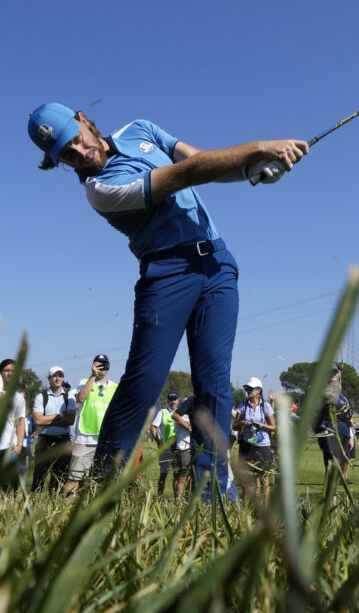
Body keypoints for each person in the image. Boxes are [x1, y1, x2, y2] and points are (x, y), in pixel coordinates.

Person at [28, 103, 308, 498]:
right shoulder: (101, 190)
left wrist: (250, 170)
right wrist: (260, 148)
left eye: (76, 140)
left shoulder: (139, 129)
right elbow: (187, 174)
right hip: (167, 273)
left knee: (214, 383)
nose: (79, 153)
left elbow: (200, 160)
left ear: (84, 120)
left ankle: (213, 496)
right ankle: (104, 486)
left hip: (217, 264)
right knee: (145, 382)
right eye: (66, 155)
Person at [64, 355, 118, 494]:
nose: (101, 367)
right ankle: (63, 511)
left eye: (104, 364)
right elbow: (81, 398)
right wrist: (93, 376)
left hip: (105, 440)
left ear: (109, 366)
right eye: (98, 364)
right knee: (74, 479)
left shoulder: (114, 387)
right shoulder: (84, 382)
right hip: (85, 439)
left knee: (101, 480)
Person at [234, 377, 276, 505]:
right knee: (248, 476)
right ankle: (250, 505)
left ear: (258, 390)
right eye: (246, 388)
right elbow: (234, 426)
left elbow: (273, 426)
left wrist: (262, 425)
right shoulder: (243, 406)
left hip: (262, 445)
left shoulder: (265, 406)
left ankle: (265, 505)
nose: (248, 391)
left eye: (250, 389)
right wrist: (242, 423)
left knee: (264, 476)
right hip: (247, 445)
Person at [32, 366, 75, 491]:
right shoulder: (41, 397)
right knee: (39, 476)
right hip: (45, 439)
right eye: (55, 376)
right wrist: (60, 416)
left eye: (60, 375)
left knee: (60, 477)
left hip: (63, 440)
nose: (58, 378)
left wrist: (48, 420)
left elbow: (70, 420)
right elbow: (38, 420)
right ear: (49, 378)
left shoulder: (69, 397)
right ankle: (35, 503)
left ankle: (53, 505)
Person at [314, 366, 354, 485]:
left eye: (335, 372)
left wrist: (351, 435)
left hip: (344, 431)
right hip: (328, 428)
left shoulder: (342, 394)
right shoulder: (321, 390)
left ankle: (333, 498)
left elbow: (347, 416)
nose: (333, 375)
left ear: (339, 374)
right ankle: (331, 498)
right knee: (333, 462)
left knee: (341, 463)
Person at [0, 358, 27, 473]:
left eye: (13, 371)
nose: (10, 374)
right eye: (6, 370)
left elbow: (20, 422)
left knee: (9, 485)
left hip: (9, 445)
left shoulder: (19, 398)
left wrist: (19, 444)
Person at [150, 392, 180, 495]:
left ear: (178, 400)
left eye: (175, 399)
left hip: (178, 449)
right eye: (171, 399)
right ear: (168, 401)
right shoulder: (162, 412)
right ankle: (159, 498)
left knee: (177, 475)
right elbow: (153, 427)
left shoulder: (182, 412)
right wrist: (159, 443)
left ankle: (177, 501)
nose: (173, 401)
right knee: (163, 475)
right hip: (166, 450)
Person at [170, 396, 194, 496]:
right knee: (184, 478)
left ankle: (177, 500)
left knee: (178, 477)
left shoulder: (180, 416)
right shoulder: (183, 417)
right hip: (185, 448)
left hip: (179, 448)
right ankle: (180, 501)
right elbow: (191, 425)